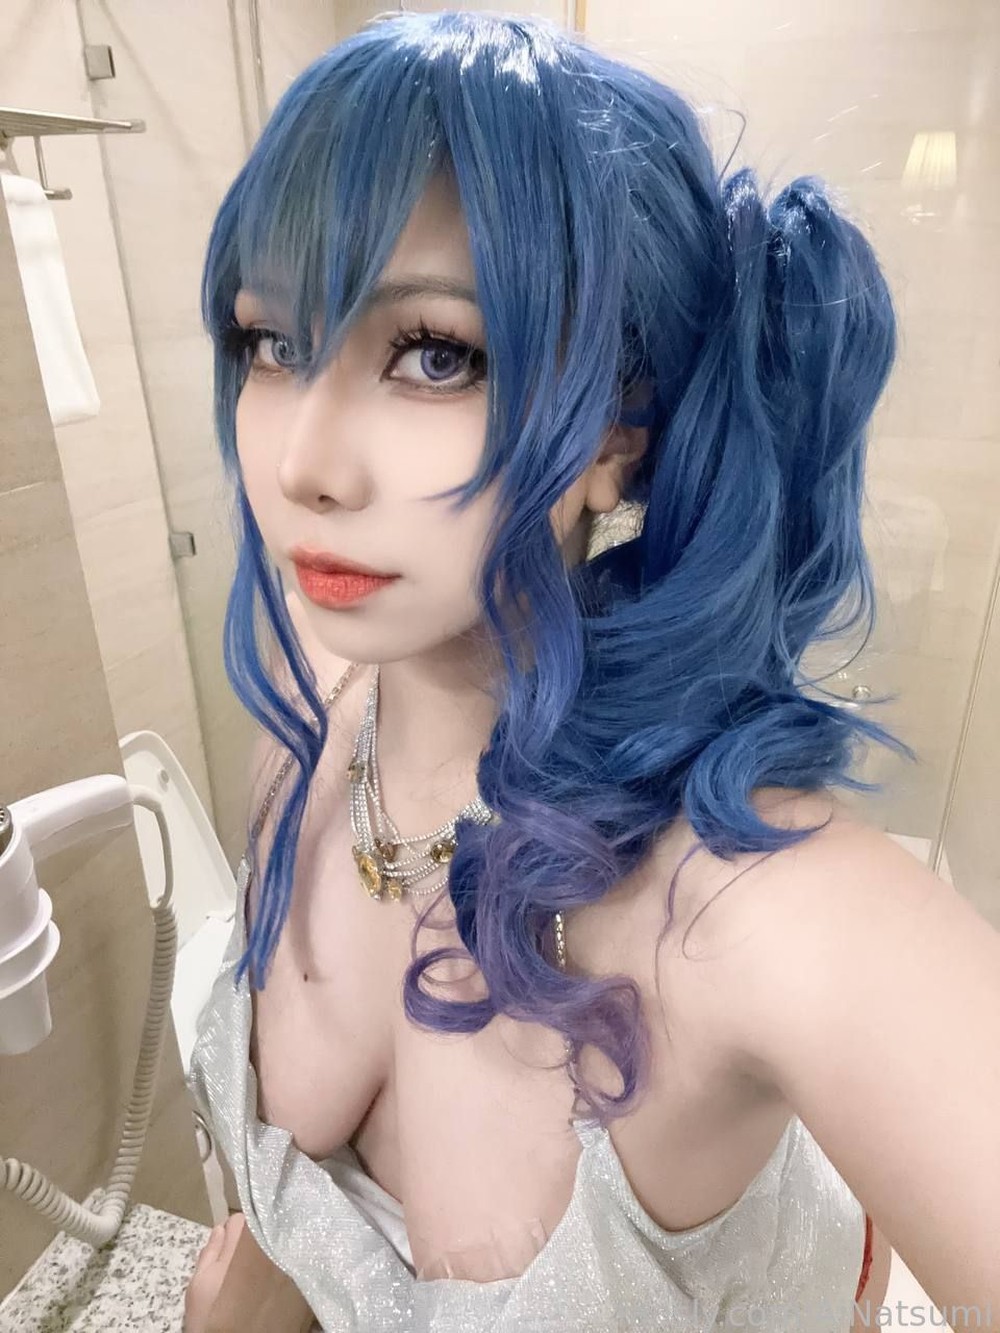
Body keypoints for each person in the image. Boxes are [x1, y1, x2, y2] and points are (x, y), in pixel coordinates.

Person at [183, 10, 1000, 1332]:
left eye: (435, 354)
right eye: (273, 343)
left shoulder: (740, 911)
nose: (301, 463)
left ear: (618, 430)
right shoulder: (312, 711)